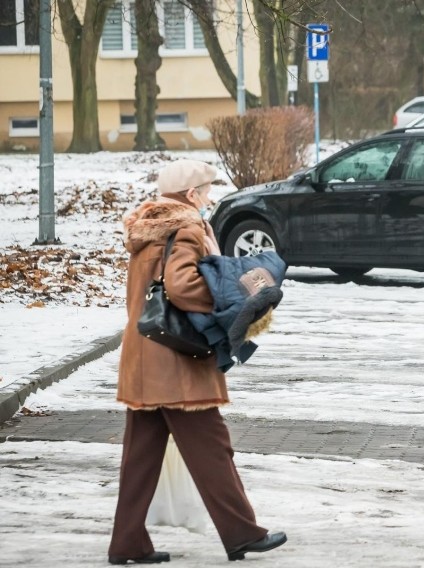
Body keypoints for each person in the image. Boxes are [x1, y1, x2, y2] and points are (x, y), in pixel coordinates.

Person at [108, 159, 286, 565]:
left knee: (141, 456)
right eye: (206, 191)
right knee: (212, 446)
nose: (209, 199)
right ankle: (242, 533)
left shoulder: (148, 227)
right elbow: (183, 286)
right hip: (176, 364)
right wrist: (232, 302)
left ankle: (127, 544)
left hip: (143, 357)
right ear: (191, 195)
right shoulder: (186, 227)